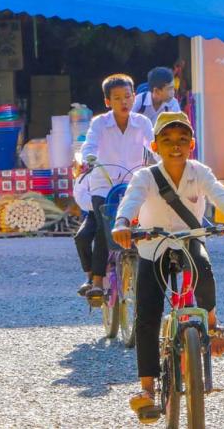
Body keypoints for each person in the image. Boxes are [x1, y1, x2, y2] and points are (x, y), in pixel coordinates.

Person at [112, 111, 224, 422]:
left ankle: (213, 324)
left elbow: (222, 195)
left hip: (190, 240)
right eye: (167, 140)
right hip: (153, 246)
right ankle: (148, 388)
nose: (175, 146)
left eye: (181, 140)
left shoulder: (200, 172)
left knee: (204, 270)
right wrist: (122, 223)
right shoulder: (146, 177)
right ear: (155, 146)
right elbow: (131, 201)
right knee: (147, 314)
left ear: (191, 144)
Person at [80, 74, 155, 305]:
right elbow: (89, 145)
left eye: (127, 96)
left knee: (148, 223)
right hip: (104, 183)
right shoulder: (99, 123)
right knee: (106, 226)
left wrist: (162, 160)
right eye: (117, 98)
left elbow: (154, 146)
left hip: (133, 183)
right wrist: (88, 158)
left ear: (134, 97)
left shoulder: (142, 122)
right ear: (107, 101)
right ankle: (97, 281)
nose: (123, 101)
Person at [72, 167, 99, 296]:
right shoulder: (89, 172)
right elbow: (81, 195)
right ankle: (89, 276)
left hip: (125, 212)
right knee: (81, 238)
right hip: (97, 212)